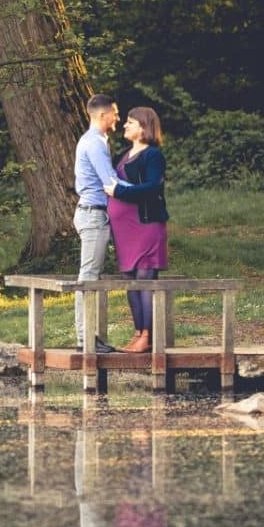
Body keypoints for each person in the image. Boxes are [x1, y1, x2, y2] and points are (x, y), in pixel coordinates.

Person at [104, 106, 169, 355]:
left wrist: (120, 192)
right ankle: (138, 333)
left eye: (130, 122)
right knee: (130, 281)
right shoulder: (123, 154)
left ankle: (148, 336)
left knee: (145, 279)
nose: (125, 126)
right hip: (126, 232)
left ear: (144, 127)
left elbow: (153, 187)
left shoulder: (153, 155)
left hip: (146, 225)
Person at [73, 94, 120, 352]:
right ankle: (84, 340)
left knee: (91, 274)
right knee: (88, 276)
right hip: (92, 214)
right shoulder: (94, 143)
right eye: (115, 113)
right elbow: (110, 181)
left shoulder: (95, 140)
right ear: (103, 115)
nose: (118, 118)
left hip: (93, 213)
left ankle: (89, 336)